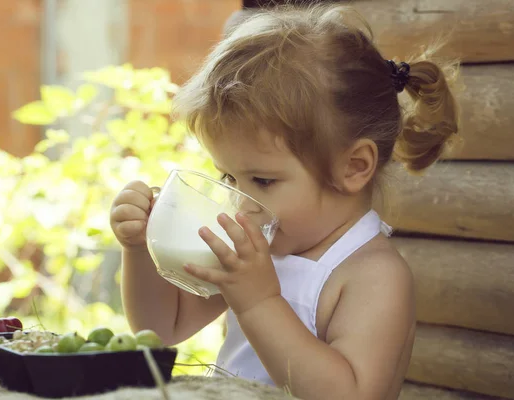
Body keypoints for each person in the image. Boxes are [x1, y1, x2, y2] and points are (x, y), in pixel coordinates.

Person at [110, 4, 459, 399]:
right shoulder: (259, 249)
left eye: (262, 180)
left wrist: (259, 302)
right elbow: (162, 329)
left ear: (354, 167)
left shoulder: (372, 275)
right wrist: (138, 249)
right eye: (228, 177)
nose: (241, 205)